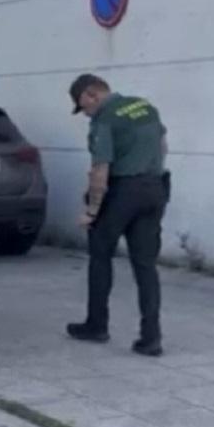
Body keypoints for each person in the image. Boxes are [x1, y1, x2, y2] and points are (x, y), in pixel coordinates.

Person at [66, 74, 169, 356]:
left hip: (123, 192)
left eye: (82, 106)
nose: (85, 113)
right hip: (154, 188)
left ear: (92, 94)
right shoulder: (145, 106)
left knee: (100, 255)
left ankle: (96, 325)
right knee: (145, 265)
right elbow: (162, 146)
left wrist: (91, 211)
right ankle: (151, 337)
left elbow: (100, 170)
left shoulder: (105, 120)